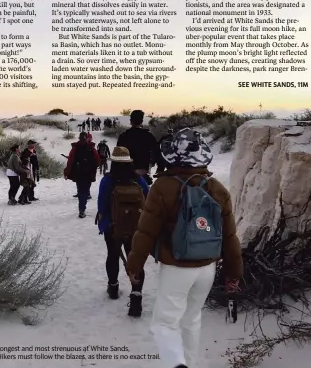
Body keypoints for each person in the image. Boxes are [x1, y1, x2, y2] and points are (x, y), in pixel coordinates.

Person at [127, 128, 243, 368]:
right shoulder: (218, 189)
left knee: (163, 323)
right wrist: (234, 273)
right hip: (207, 267)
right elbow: (230, 237)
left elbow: (146, 231)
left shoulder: (162, 187)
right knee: (192, 319)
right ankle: (188, 363)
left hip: (176, 266)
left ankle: (176, 364)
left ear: (173, 157)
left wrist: (134, 266)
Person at [97, 147, 149, 315]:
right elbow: (147, 198)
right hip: (135, 227)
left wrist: (102, 221)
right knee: (134, 257)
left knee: (112, 255)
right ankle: (136, 293)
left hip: (112, 227)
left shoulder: (108, 180)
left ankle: (113, 288)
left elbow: (102, 204)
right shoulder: (138, 179)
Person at [64, 131, 100, 218]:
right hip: (89, 173)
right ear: (87, 137)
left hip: (78, 173)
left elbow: (70, 161)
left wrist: (66, 172)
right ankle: (82, 208)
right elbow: (97, 161)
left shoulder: (75, 148)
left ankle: (81, 209)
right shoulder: (91, 148)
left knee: (81, 191)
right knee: (85, 190)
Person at [118, 110, 163, 177]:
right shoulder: (148, 135)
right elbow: (157, 152)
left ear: (130, 121)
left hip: (125, 172)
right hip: (142, 172)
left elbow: (117, 154)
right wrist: (160, 168)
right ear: (141, 121)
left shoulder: (123, 136)